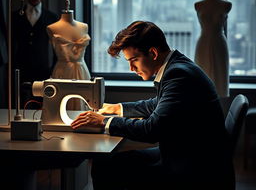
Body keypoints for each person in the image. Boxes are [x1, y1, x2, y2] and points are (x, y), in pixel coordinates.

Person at [71, 21, 235, 190]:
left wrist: (104, 122)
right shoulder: (178, 66)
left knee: (105, 166)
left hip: (192, 169)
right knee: (110, 162)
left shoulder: (178, 74)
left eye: (134, 60)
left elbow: (152, 130)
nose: (131, 68)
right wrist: (117, 108)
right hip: (189, 155)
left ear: (153, 53)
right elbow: (158, 104)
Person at [12, 0, 59, 108]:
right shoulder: (15, 16)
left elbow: (57, 46)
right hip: (21, 68)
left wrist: (54, 68)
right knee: (20, 105)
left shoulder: (52, 17)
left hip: (43, 68)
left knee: (42, 104)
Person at [47, 0, 91, 110]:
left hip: (81, 70)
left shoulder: (84, 27)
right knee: (61, 103)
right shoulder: (52, 28)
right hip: (62, 70)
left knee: (82, 103)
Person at [194, 0, 232, 98]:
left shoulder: (227, 5)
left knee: (220, 78)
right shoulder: (198, 5)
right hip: (203, 43)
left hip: (219, 43)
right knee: (201, 77)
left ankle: (218, 109)